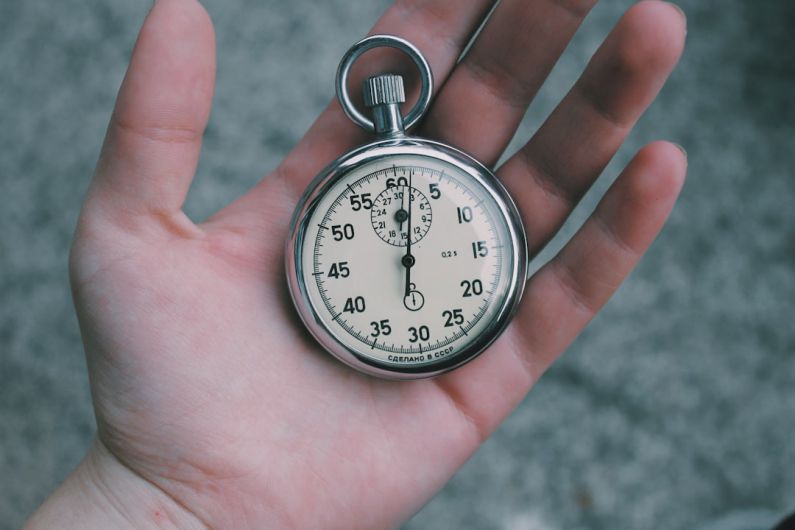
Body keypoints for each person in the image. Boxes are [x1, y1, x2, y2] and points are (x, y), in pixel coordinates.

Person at [24, 0, 689, 527]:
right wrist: (163, 498)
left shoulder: (454, 206)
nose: (405, 257)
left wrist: (155, 504)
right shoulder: (340, 222)